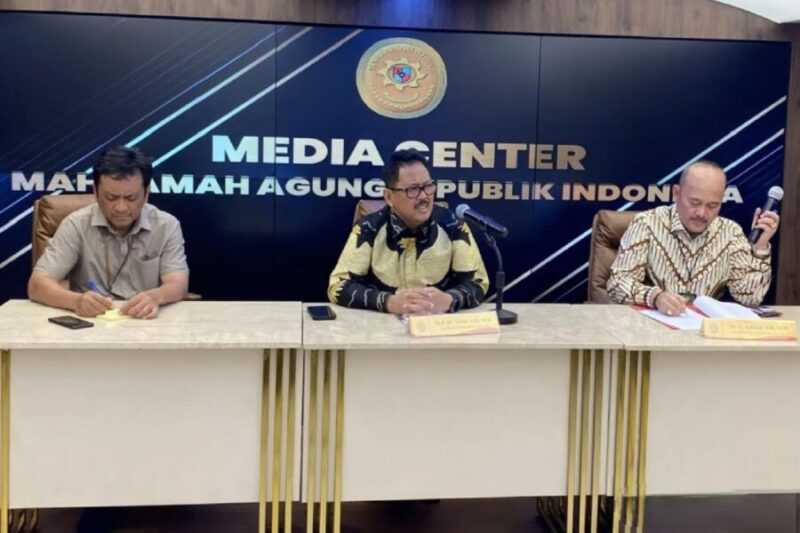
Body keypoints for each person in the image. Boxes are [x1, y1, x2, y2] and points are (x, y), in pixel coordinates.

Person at [28, 145, 189, 319]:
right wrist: (76, 301)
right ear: (96, 192)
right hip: (90, 325)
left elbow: (178, 283)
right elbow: (37, 285)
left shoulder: (166, 225)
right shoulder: (75, 224)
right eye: (111, 198)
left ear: (146, 193)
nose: (121, 208)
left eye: (131, 198)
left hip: (143, 321)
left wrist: (155, 297)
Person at [607, 160, 779, 315]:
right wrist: (655, 297)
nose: (702, 213)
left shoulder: (731, 232)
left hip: (706, 337)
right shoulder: (647, 223)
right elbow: (617, 283)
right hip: (653, 332)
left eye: (713, 205)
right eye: (695, 202)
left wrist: (761, 247)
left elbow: (749, 298)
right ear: (676, 193)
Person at [328, 149, 489, 315]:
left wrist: (449, 299)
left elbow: (478, 282)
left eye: (428, 186)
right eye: (413, 190)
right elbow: (338, 286)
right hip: (381, 330)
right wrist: (389, 302)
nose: (424, 197)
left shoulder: (453, 225)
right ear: (389, 197)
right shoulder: (369, 228)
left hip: (438, 327)